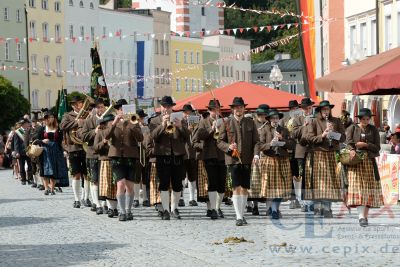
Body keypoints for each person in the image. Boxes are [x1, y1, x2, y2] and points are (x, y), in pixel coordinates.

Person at [217, 97, 260, 226]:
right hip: (233, 160)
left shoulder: (250, 123)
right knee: (236, 187)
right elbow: (219, 141)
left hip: (247, 159)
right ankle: (238, 217)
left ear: (244, 108)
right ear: (232, 109)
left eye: (240, 107)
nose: (238, 109)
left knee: (245, 188)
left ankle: (242, 214)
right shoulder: (227, 123)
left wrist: (256, 155)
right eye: (236, 108)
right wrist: (228, 147)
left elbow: (256, 141)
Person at [149, 96, 190, 220]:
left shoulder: (180, 119)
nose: (166, 109)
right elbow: (152, 137)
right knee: (164, 184)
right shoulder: (154, 121)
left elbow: (188, 136)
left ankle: (174, 208)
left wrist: (180, 126)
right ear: (160, 107)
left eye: (169, 106)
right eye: (164, 106)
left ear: (172, 107)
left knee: (178, 185)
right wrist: (162, 125)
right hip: (162, 155)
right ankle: (166, 209)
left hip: (177, 155)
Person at [303, 100, 345, 218]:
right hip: (318, 153)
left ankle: (327, 208)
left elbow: (343, 138)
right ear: (320, 111)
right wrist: (323, 135)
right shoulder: (314, 121)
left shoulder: (336, 121)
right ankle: (317, 207)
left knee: (331, 181)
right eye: (324, 110)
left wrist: (333, 133)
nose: (326, 112)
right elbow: (310, 138)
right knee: (318, 182)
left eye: (328, 109)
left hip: (332, 153)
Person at [104, 99, 144, 221]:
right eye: (119, 109)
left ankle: (128, 210)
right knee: (120, 184)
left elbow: (141, 138)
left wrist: (132, 125)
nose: (121, 110)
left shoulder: (134, 121)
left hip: (131, 157)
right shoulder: (112, 122)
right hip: (116, 157)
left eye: (123, 108)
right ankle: (121, 211)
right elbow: (106, 136)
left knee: (130, 187)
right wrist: (114, 123)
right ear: (116, 110)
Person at [345, 108, 383, 227]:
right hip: (355, 162)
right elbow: (348, 142)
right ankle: (361, 216)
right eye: (363, 119)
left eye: (367, 119)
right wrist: (351, 150)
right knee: (358, 189)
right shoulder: (352, 128)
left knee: (368, 190)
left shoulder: (374, 129)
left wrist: (366, 145)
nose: (366, 121)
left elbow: (377, 147)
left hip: (369, 162)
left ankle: (364, 217)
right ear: (359, 119)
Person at [193, 99, 226, 219]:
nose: (215, 112)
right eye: (213, 110)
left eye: (217, 109)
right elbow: (199, 136)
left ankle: (217, 207)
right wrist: (212, 128)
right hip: (209, 155)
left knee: (222, 185)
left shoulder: (223, 121)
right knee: (212, 183)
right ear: (209, 110)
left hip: (222, 155)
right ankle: (212, 209)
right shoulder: (203, 122)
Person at [259, 109, 295, 219]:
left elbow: (292, 145)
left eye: (276, 118)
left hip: (282, 160)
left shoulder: (284, 130)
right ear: (269, 119)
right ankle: (272, 208)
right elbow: (260, 145)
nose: (275, 120)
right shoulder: (264, 130)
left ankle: (275, 209)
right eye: (273, 118)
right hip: (269, 159)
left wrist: (282, 139)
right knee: (270, 187)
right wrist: (270, 144)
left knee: (281, 188)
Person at [60, 95, 88, 208]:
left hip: (85, 147)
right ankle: (76, 199)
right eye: (79, 103)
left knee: (87, 175)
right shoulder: (67, 115)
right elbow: (62, 126)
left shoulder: (87, 114)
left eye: (81, 103)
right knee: (76, 175)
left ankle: (85, 197)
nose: (81, 105)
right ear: (74, 105)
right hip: (73, 147)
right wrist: (77, 122)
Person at [81, 98, 106, 214]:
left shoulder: (108, 120)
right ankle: (97, 203)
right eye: (99, 107)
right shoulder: (89, 121)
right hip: (92, 154)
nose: (101, 109)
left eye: (102, 107)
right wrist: (94, 132)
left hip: (105, 154)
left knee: (104, 180)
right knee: (94, 180)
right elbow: (84, 137)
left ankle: (105, 203)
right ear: (95, 109)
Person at [291, 98, 315, 212]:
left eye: (309, 108)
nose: (307, 110)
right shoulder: (297, 119)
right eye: (305, 108)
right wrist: (303, 126)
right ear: (302, 109)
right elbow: (293, 134)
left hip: (314, 150)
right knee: (302, 177)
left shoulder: (316, 119)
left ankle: (312, 201)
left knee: (313, 176)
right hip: (301, 151)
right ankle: (302, 201)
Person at [38, 112, 69, 195]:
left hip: (55, 150)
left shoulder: (58, 129)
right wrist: (42, 141)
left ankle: (52, 188)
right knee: (45, 170)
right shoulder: (42, 129)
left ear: (54, 118)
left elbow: (60, 142)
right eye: (48, 117)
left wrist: (64, 151)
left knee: (54, 170)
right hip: (44, 151)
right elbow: (36, 140)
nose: (50, 118)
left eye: (51, 117)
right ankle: (46, 188)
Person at [94, 114, 119, 218]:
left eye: (113, 121)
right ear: (105, 123)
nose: (112, 123)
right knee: (108, 185)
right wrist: (103, 142)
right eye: (110, 121)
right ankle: (110, 208)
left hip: (117, 160)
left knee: (117, 185)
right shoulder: (100, 133)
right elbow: (95, 148)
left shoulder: (117, 132)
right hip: (105, 160)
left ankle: (115, 208)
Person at [248, 104, 269, 216]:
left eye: (264, 114)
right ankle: (254, 205)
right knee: (254, 182)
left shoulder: (269, 125)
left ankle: (268, 207)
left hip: (266, 156)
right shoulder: (252, 124)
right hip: (255, 156)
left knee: (265, 182)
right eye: (260, 114)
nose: (262, 116)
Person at [280, 100, 301, 210]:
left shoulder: (302, 119)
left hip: (300, 150)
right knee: (290, 174)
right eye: (292, 109)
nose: (294, 110)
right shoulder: (283, 120)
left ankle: (299, 198)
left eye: (296, 108)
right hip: (288, 150)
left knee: (298, 175)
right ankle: (293, 199)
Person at [182, 104, 199, 207]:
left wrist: (193, 128)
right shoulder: (180, 122)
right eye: (186, 112)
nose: (187, 114)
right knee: (181, 177)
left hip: (192, 153)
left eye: (189, 112)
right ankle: (181, 197)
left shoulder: (195, 122)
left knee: (192, 177)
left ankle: (192, 198)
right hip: (183, 153)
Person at [133, 109, 150, 207]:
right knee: (136, 177)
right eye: (141, 118)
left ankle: (145, 198)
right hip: (136, 153)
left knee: (145, 177)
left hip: (145, 153)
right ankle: (136, 198)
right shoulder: (132, 128)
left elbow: (147, 140)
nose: (142, 120)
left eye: (143, 118)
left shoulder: (146, 128)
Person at [14, 119, 34, 185]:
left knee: (30, 165)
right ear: (23, 124)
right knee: (22, 166)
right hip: (21, 152)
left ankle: (30, 179)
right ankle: (23, 179)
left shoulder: (29, 130)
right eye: (26, 123)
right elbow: (16, 143)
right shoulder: (17, 132)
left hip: (28, 150)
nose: (27, 124)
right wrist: (17, 152)